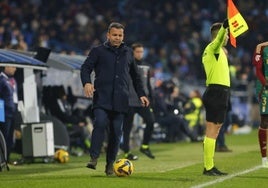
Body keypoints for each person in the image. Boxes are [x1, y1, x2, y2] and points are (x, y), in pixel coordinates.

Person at [80, 22, 149, 176]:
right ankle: (94, 157)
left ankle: (110, 164)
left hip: (120, 100)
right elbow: (85, 68)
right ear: (108, 35)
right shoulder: (98, 51)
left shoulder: (128, 53)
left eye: (120, 35)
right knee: (100, 122)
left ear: (123, 36)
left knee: (116, 133)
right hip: (102, 98)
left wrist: (142, 94)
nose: (117, 38)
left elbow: (136, 77)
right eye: (114, 35)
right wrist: (87, 83)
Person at [201, 19, 230, 176]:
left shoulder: (215, 51)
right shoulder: (214, 47)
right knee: (212, 130)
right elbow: (219, 39)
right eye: (226, 35)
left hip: (218, 92)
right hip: (216, 92)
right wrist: (224, 27)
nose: (227, 38)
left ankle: (209, 165)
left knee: (214, 130)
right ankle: (208, 166)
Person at [121, 43, 155, 160]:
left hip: (142, 101)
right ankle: (126, 152)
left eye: (141, 52)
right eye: (138, 52)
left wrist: (151, 98)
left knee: (151, 121)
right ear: (133, 52)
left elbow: (148, 84)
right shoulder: (127, 64)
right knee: (127, 128)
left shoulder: (146, 66)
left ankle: (144, 146)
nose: (140, 54)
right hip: (129, 101)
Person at [252, 41, 268, 168]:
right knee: (265, 121)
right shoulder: (261, 47)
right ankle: (264, 159)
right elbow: (258, 70)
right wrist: (265, 84)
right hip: (265, 87)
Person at [0, 66, 18, 162]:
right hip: (4, 112)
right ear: (6, 67)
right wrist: (1, 115)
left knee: (10, 137)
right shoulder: (1, 80)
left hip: (12, 112)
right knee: (4, 136)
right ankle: (2, 159)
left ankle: (7, 158)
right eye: (13, 66)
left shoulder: (12, 80)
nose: (15, 69)